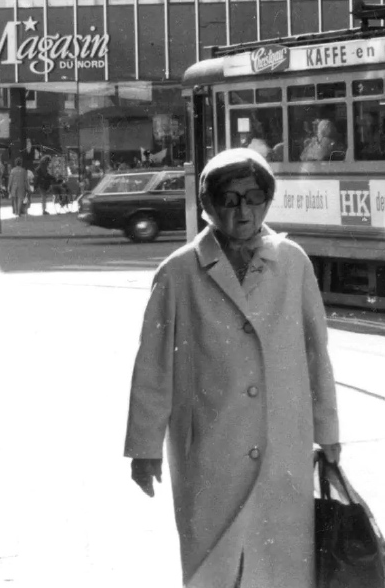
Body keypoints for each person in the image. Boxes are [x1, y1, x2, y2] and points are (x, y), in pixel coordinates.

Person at [125, 148, 341, 588]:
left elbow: (317, 353)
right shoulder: (178, 272)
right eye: (230, 198)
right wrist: (144, 448)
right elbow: (152, 367)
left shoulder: (293, 263)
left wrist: (328, 432)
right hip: (209, 447)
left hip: (283, 444)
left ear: (267, 200)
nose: (243, 210)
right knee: (216, 566)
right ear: (209, 205)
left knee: (280, 564)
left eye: (253, 197)